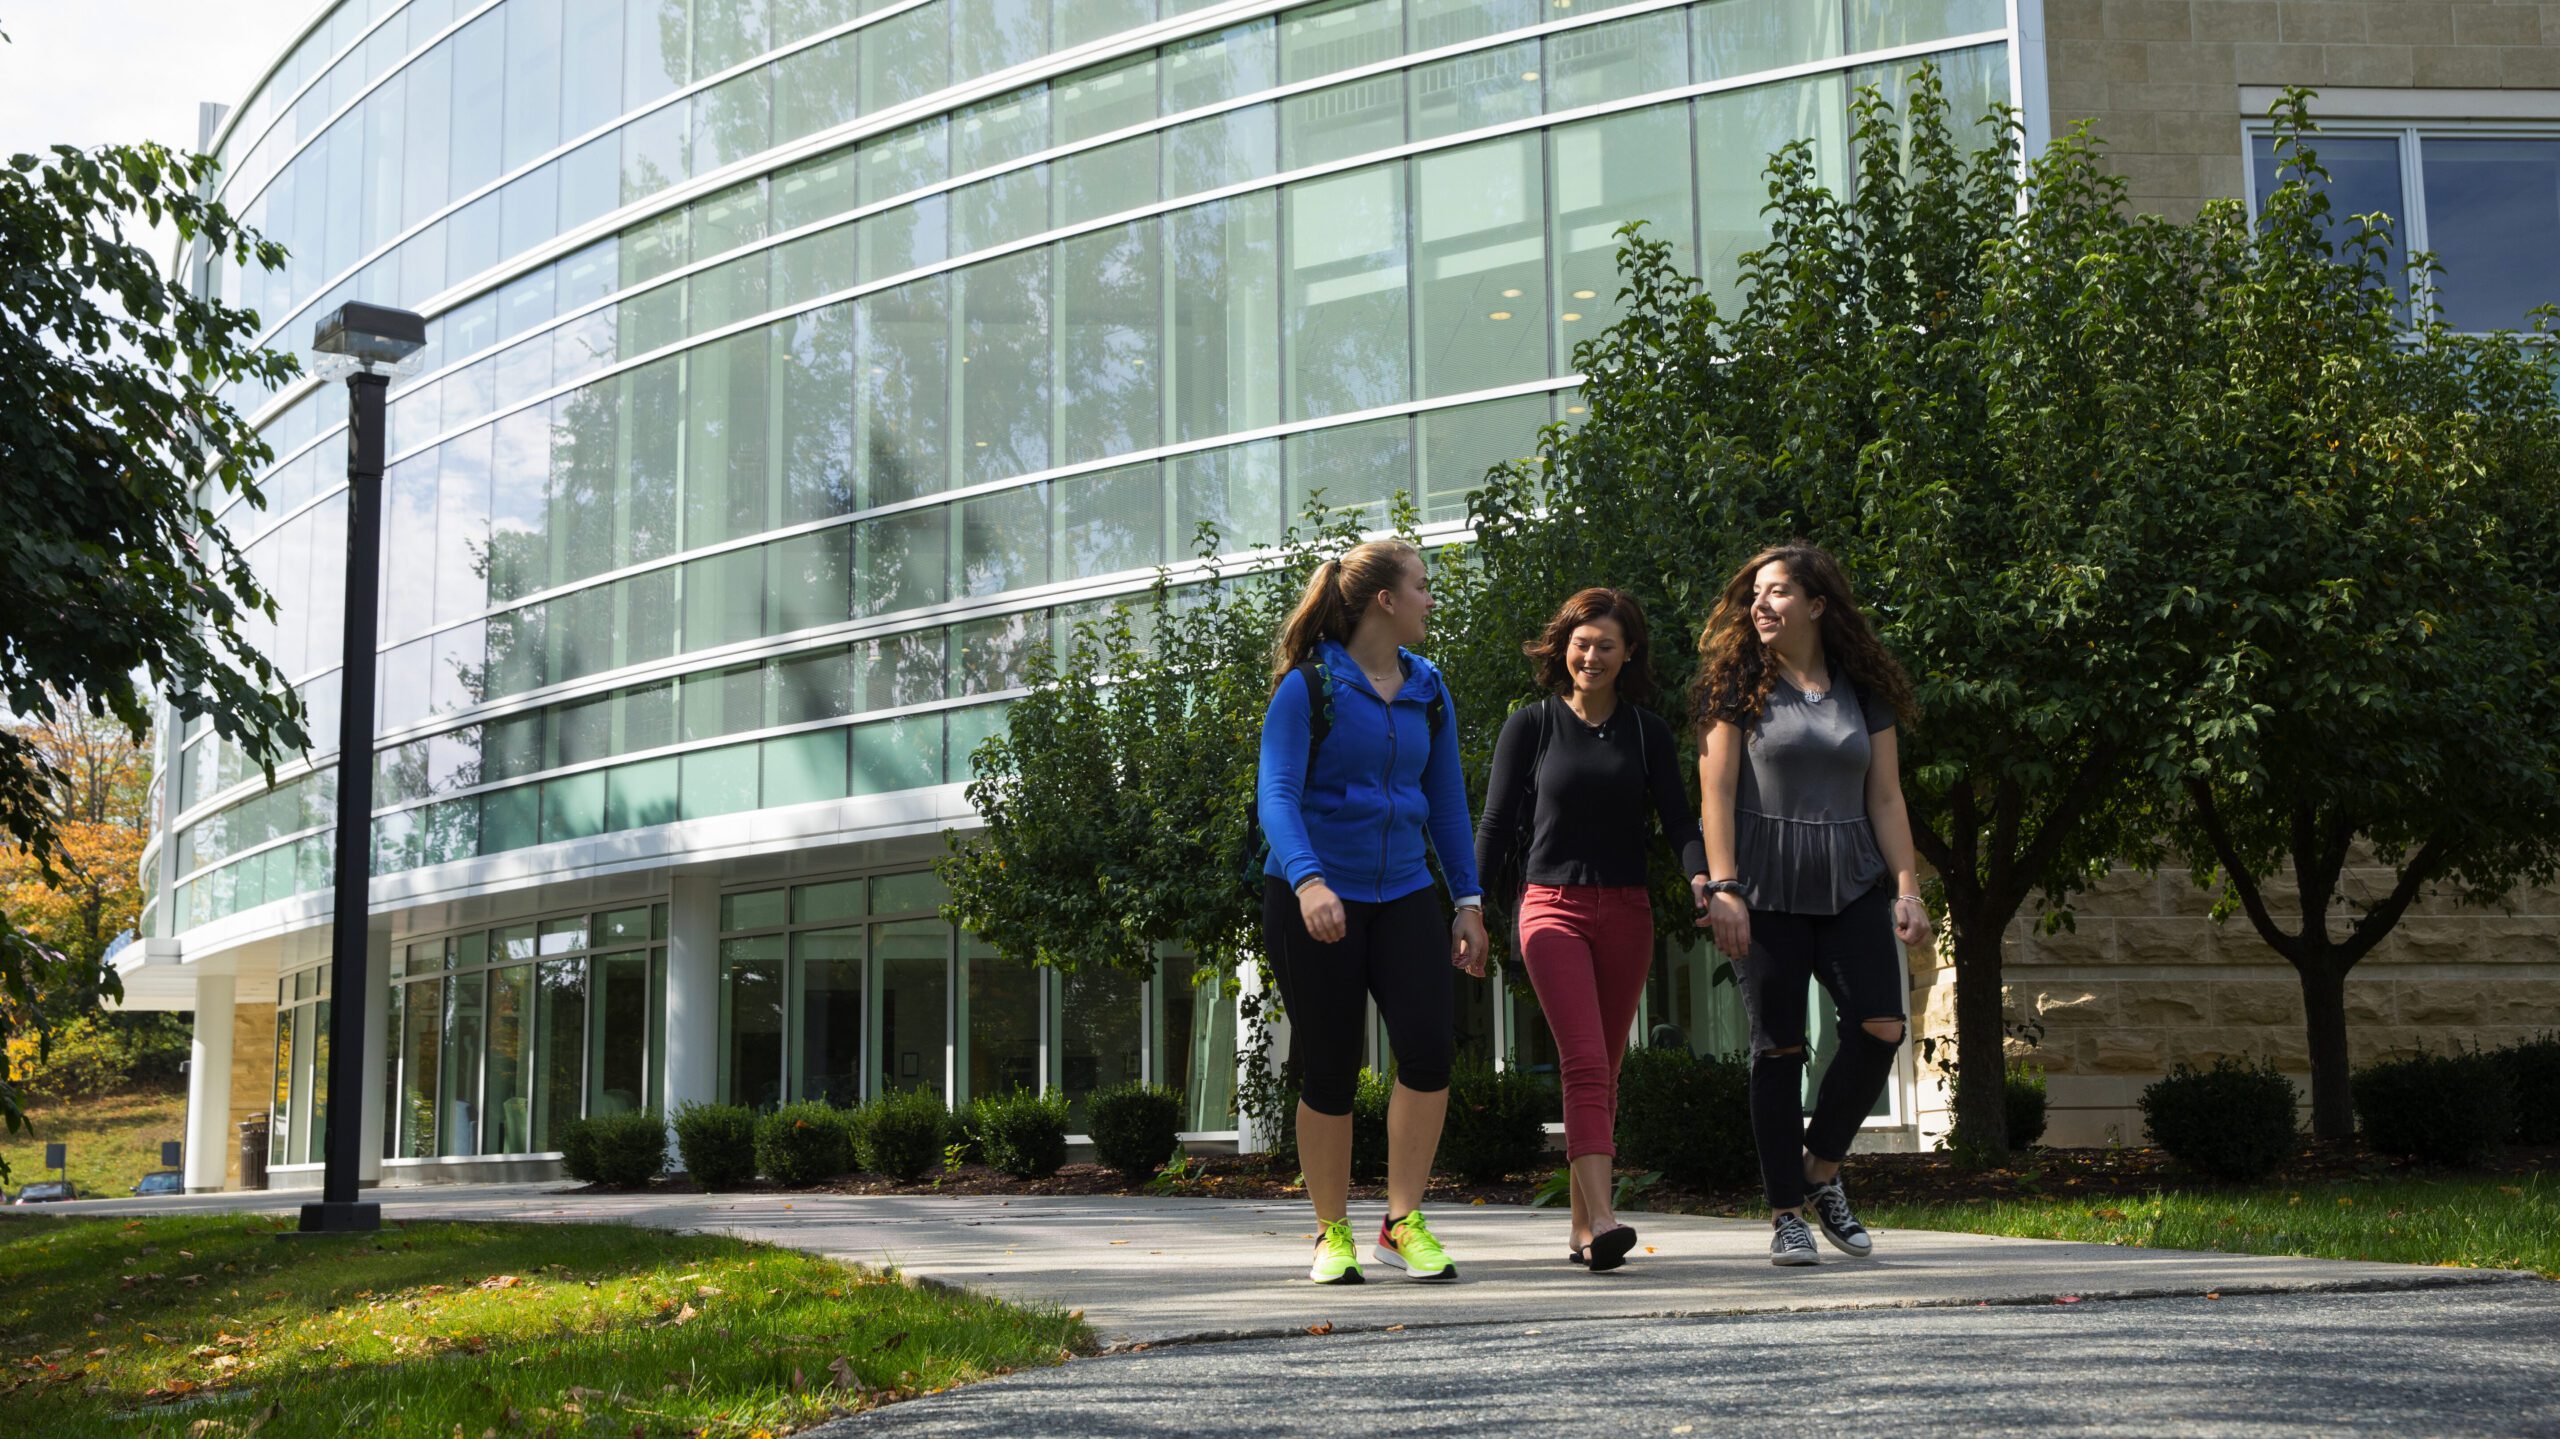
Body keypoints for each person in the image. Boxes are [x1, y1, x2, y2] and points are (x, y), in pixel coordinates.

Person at [1692, 544, 1933, 1267]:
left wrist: (1908, 885)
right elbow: (1718, 795)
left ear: (1817, 604)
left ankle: (1819, 1171)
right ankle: (1786, 1214)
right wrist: (1725, 886)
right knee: (1780, 1046)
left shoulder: (1862, 688)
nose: (1760, 605)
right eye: (1756, 594)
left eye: (1777, 593)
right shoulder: (1733, 685)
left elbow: (1885, 795)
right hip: (1763, 888)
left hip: (1850, 878)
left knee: (1882, 1026)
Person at [1258, 538, 1488, 1285]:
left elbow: (1447, 803)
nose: (1430, 598)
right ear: (1385, 600)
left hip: (1403, 893)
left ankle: (1401, 1219)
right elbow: (1277, 796)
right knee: (1328, 1066)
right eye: (1422, 586)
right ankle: (1331, 1232)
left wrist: (1467, 900)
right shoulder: (1309, 686)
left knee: (1426, 1053)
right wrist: (1308, 880)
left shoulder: (1428, 685)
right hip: (1317, 896)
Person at [1474, 588, 1707, 1273]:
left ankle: (1582, 1232)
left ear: (1628, 652)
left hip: (1627, 910)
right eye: (1582, 641)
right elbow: (1492, 825)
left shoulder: (1646, 732)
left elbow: (1680, 822)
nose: (1592, 655)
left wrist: (1703, 879)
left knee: (1605, 1071)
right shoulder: (1532, 725)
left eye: (1607, 644)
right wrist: (1470, 907)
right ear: (1562, 645)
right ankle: (1605, 1216)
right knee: (1582, 1060)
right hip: (1550, 907)